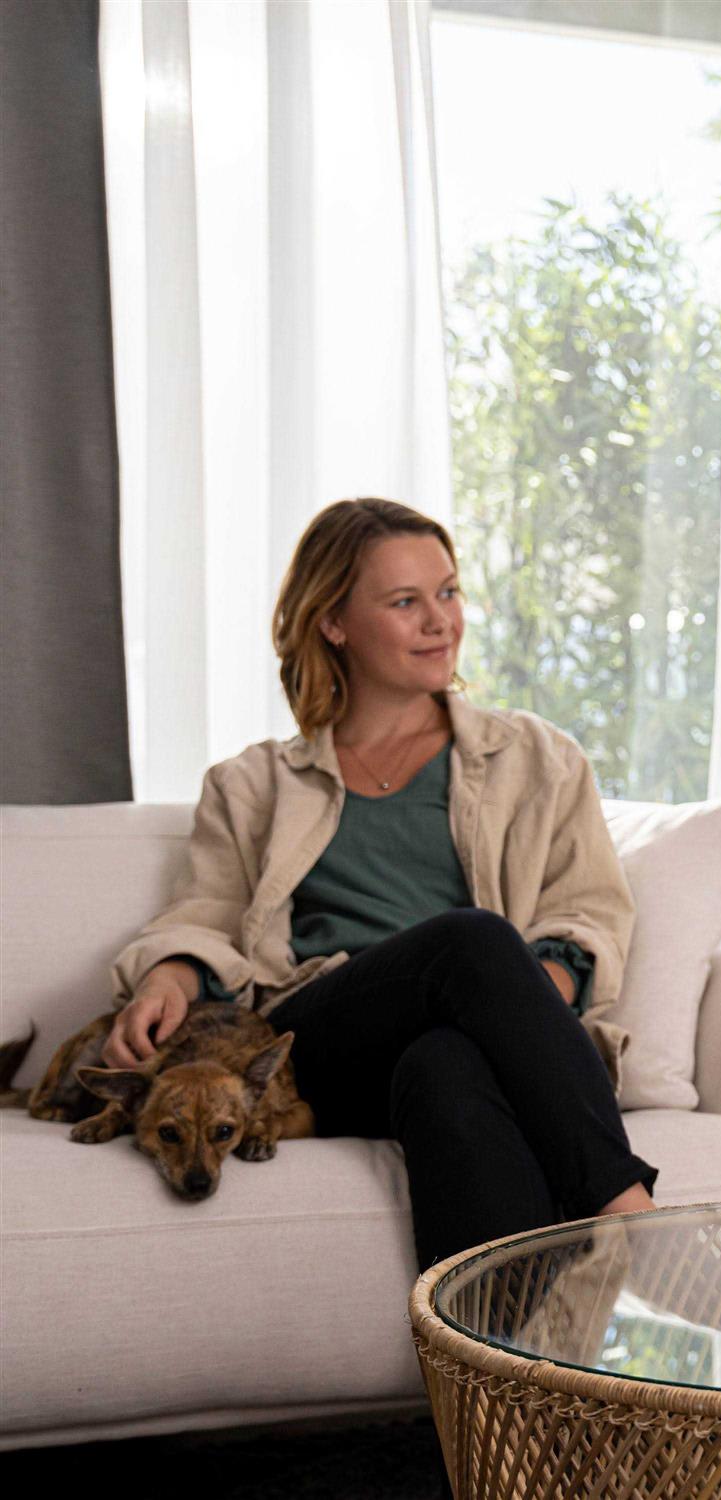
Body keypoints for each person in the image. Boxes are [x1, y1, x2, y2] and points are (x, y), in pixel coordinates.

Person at [104, 496, 659, 1278]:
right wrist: (165, 977)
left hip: (470, 1035)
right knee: (471, 939)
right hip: (319, 1044)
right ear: (333, 622)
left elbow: (588, 911)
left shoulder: (538, 759)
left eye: (448, 592)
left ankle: (495, 1356)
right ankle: (628, 1209)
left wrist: (527, 1000)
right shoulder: (253, 783)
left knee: (445, 1068)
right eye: (405, 602)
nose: (441, 622)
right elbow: (205, 913)